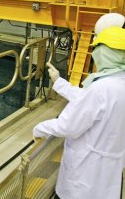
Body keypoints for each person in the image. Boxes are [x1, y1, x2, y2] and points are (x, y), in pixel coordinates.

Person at [33, 23, 125, 197]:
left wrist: (39, 129)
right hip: (107, 178)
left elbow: (68, 126)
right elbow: (89, 102)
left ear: (106, 53)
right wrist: (59, 81)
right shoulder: (116, 83)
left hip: (83, 180)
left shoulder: (102, 88)